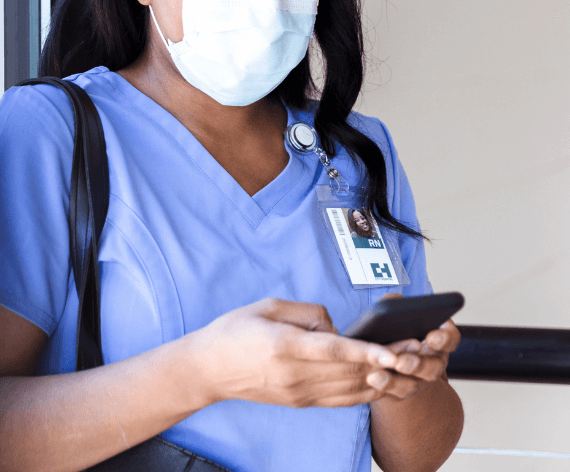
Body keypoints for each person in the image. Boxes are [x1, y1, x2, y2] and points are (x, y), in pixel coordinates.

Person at [0, 0, 464, 471]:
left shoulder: (358, 153)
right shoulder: (51, 130)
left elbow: (413, 460)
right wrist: (205, 372)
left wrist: (405, 381)